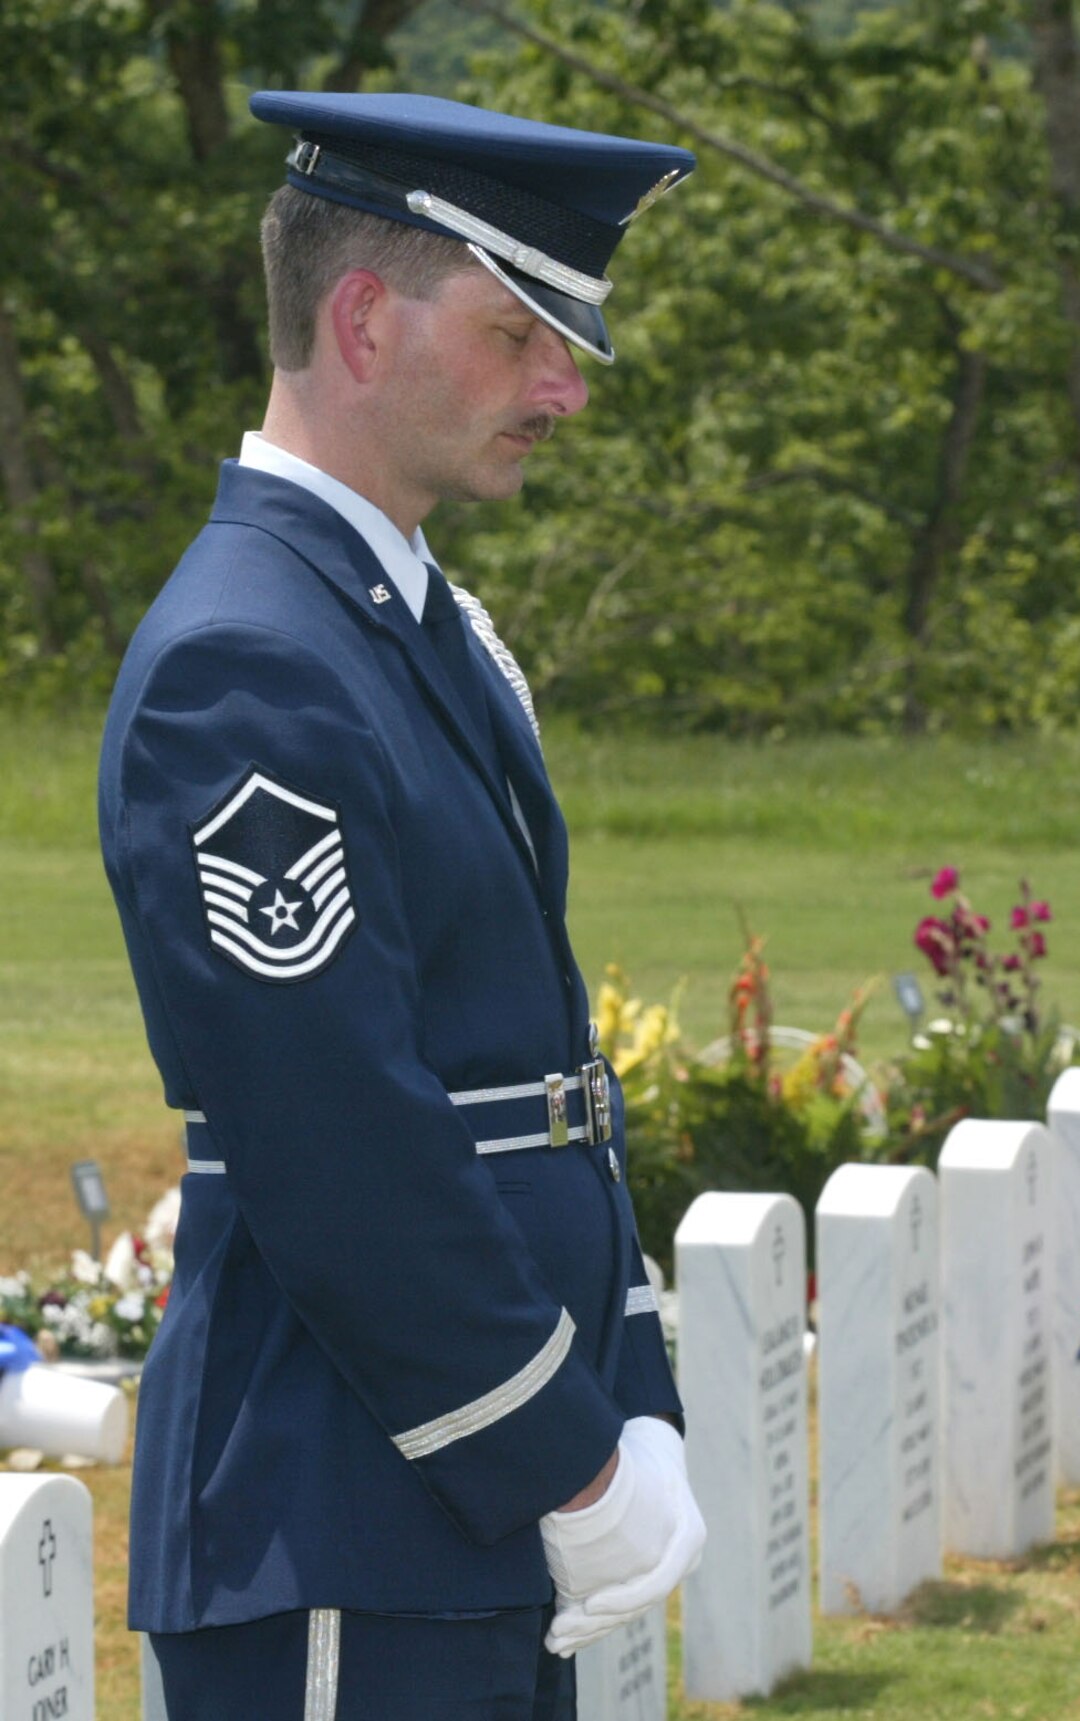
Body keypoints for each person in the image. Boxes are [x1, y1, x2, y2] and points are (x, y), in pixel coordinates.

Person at [97, 91, 705, 1719]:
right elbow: (331, 1128)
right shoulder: (252, 662)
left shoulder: (395, 620)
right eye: (520, 334)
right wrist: (564, 1455)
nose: (565, 387)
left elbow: (539, 1072)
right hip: (344, 1516)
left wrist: (627, 1390)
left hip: (448, 1512)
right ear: (363, 319)